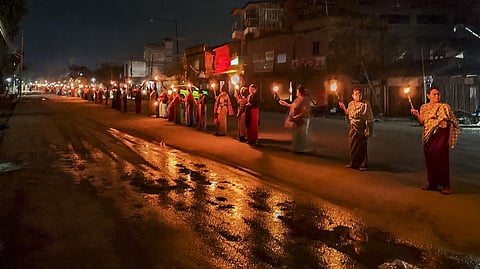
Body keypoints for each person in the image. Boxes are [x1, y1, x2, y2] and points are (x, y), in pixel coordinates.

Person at [410, 87, 460, 194]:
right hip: (428, 135)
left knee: (441, 159)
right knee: (430, 159)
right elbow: (422, 122)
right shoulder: (424, 107)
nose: (437, 96)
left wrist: (449, 139)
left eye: (438, 94)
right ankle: (432, 183)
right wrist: (417, 114)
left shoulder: (444, 107)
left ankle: (446, 185)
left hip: (441, 135)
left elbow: (451, 123)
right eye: (434, 94)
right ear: (428, 96)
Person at [338, 88, 374, 171]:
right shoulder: (351, 104)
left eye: (360, 94)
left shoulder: (365, 104)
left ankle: (363, 164)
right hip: (353, 128)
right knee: (353, 146)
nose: (358, 95)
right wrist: (343, 107)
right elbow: (348, 114)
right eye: (356, 94)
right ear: (353, 95)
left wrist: (367, 130)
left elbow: (369, 118)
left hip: (361, 128)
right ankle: (354, 163)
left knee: (362, 147)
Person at [279, 85, 313, 153]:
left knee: (301, 134)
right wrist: (285, 104)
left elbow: (305, 110)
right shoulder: (298, 99)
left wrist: (297, 116)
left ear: (300, 92)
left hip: (302, 119)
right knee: (296, 134)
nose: (296, 92)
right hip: (296, 119)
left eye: (297, 91)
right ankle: (297, 149)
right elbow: (293, 106)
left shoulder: (305, 99)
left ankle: (301, 149)